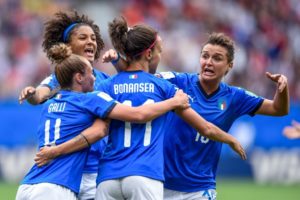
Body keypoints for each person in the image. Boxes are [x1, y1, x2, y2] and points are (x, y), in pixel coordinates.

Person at [35, 17, 246, 200]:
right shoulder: (164, 87)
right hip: (145, 175)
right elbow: (206, 128)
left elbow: (95, 120)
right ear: (148, 53)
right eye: (159, 51)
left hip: (107, 177)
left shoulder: (107, 86)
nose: (160, 56)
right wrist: (230, 139)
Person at [16, 43, 190, 200]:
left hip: (28, 185)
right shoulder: (91, 99)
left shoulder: (50, 104)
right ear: (79, 77)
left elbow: (40, 97)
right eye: (91, 73)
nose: (95, 78)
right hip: (55, 187)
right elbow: (137, 114)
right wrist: (173, 102)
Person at [153, 32, 289, 200]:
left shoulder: (235, 97)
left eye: (217, 58)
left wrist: (282, 89)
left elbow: (279, 109)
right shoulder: (179, 81)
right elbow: (145, 80)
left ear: (229, 65)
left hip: (200, 188)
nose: (209, 62)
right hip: (161, 184)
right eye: (205, 56)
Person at [17, 10, 122, 200]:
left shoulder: (106, 81)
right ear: (67, 45)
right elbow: (41, 94)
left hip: (95, 171)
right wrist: (32, 94)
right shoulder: (62, 78)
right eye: (82, 38)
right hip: (64, 171)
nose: (90, 42)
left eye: (93, 38)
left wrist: (119, 62)